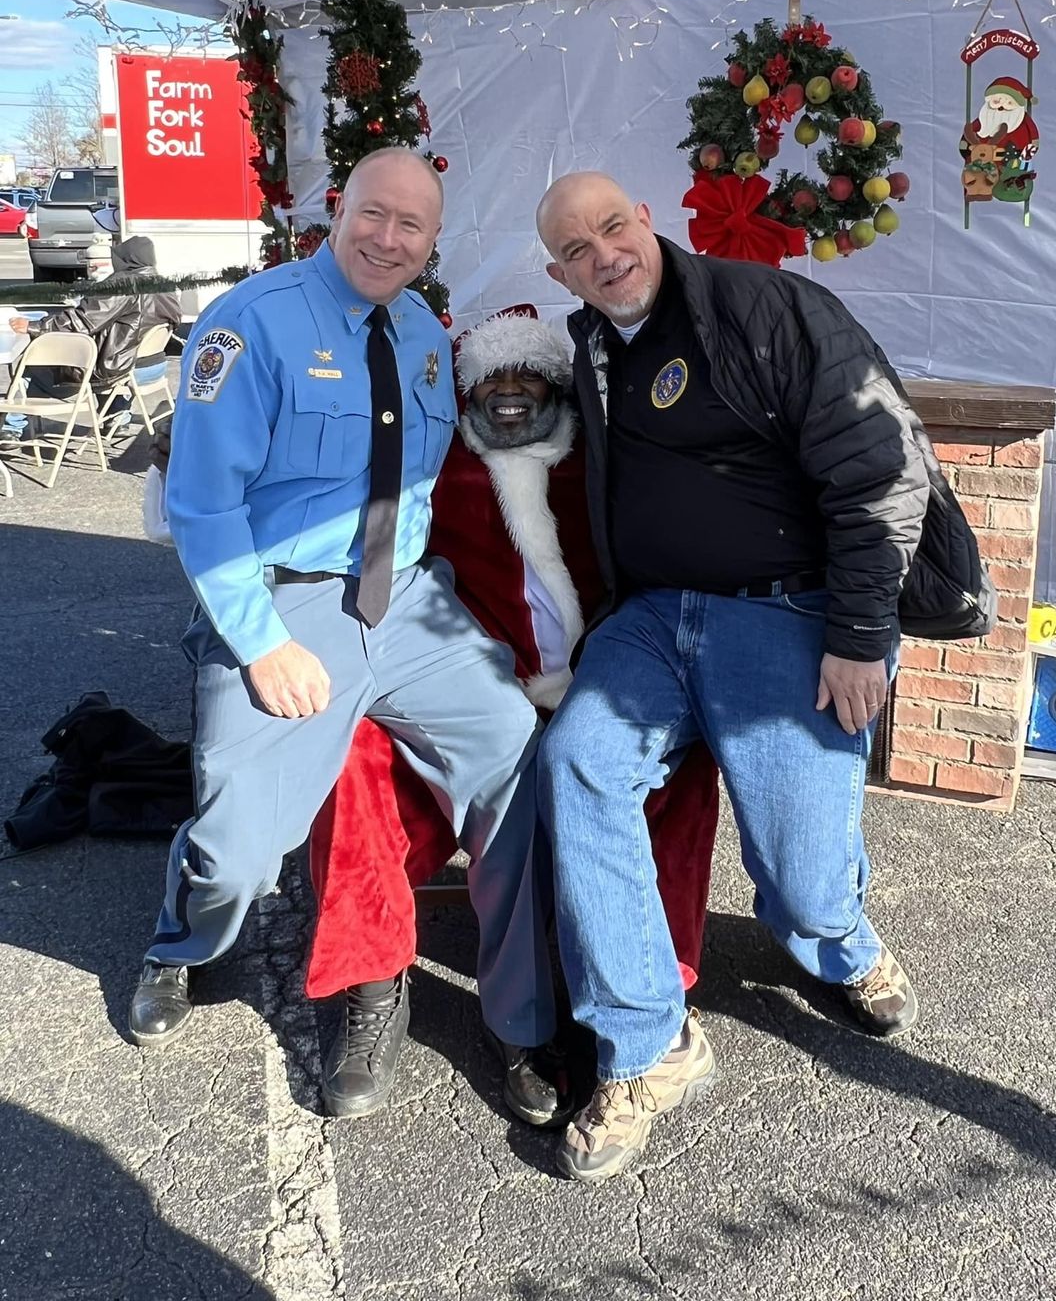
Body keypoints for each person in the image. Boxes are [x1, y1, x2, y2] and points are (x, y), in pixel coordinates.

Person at [130, 150, 566, 1130]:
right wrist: (261, 644)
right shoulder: (251, 323)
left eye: (412, 226)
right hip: (286, 605)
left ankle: (523, 1018)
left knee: (514, 756)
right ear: (338, 211)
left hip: (406, 602)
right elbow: (202, 505)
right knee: (243, 852)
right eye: (374, 214)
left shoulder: (424, 335)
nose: (388, 238)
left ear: (432, 243)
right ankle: (180, 944)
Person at [534, 171, 932, 1182]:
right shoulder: (591, 345)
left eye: (612, 227)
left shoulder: (763, 306)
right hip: (653, 619)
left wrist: (859, 633)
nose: (604, 256)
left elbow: (880, 462)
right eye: (577, 251)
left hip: (787, 610)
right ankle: (643, 1044)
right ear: (560, 274)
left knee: (801, 881)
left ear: (646, 219)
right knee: (578, 761)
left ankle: (842, 943)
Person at [304, 311, 721, 1119]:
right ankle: (372, 981)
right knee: (353, 756)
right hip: (460, 691)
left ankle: (647, 984)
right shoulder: (431, 463)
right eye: (492, 377)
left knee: (684, 764)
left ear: (558, 386)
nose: (509, 391)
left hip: (598, 688)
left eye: (527, 374)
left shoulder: (607, 462)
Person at [3, 236, 180, 438]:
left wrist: (34, 326)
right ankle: (117, 418)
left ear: (126, 259)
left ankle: (11, 428)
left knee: (32, 367)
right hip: (153, 366)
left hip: (121, 368)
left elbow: (82, 321)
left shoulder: (123, 285)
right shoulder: (165, 286)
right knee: (107, 352)